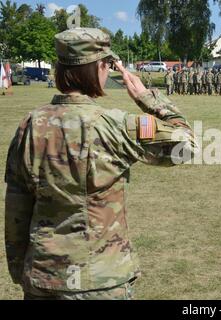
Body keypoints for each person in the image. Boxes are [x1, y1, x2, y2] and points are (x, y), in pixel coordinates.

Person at [4, 27, 196, 300]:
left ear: (60, 69)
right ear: (98, 69)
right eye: (106, 64)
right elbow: (186, 145)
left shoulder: (30, 125)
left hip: (44, 279)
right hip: (103, 281)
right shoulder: (117, 125)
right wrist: (147, 98)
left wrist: (21, 271)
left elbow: (16, 208)